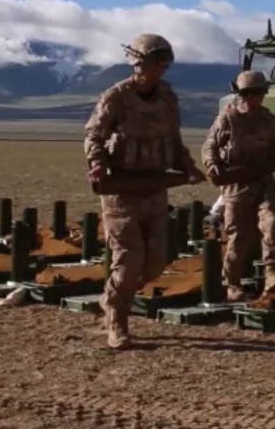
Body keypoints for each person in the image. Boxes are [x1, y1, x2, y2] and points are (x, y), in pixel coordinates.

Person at [84, 33, 205, 349]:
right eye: (154, 63)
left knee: (155, 264)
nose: (160, 70)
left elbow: (173, 138)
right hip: (121, 190)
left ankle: (111, 298)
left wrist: (187, 166)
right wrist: (97, 164)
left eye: (164, 64)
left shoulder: (167, 96)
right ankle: (117, 324)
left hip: (155, 186)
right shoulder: (116, 97)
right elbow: (94, 135)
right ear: (137, 62)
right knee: (128, 261)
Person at [201, 71, 275, 302]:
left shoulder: (268, 120)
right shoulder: (228, 119)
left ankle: (274, 277)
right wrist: (212, 164)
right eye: (249, 93)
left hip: (263, 182)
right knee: (240, 237)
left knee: (274, 225)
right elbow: (209, 146)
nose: (254, 98)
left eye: (258, 93)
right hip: (236, 185)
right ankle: (232, 283)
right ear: (241, 94)